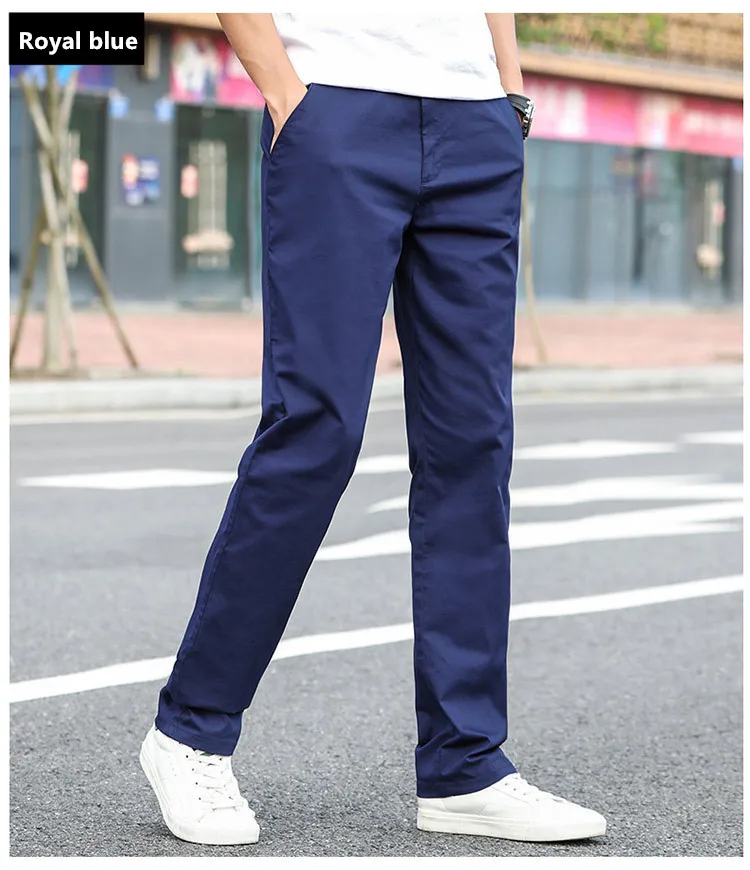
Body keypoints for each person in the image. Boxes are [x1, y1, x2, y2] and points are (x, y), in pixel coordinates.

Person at [140, 12, 607, 847]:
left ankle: (465, 765)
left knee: (472, 443)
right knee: (316, 429)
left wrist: (508, 94)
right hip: (336, 108)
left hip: (474, 121)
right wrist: (288, 97)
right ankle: (191, 733)